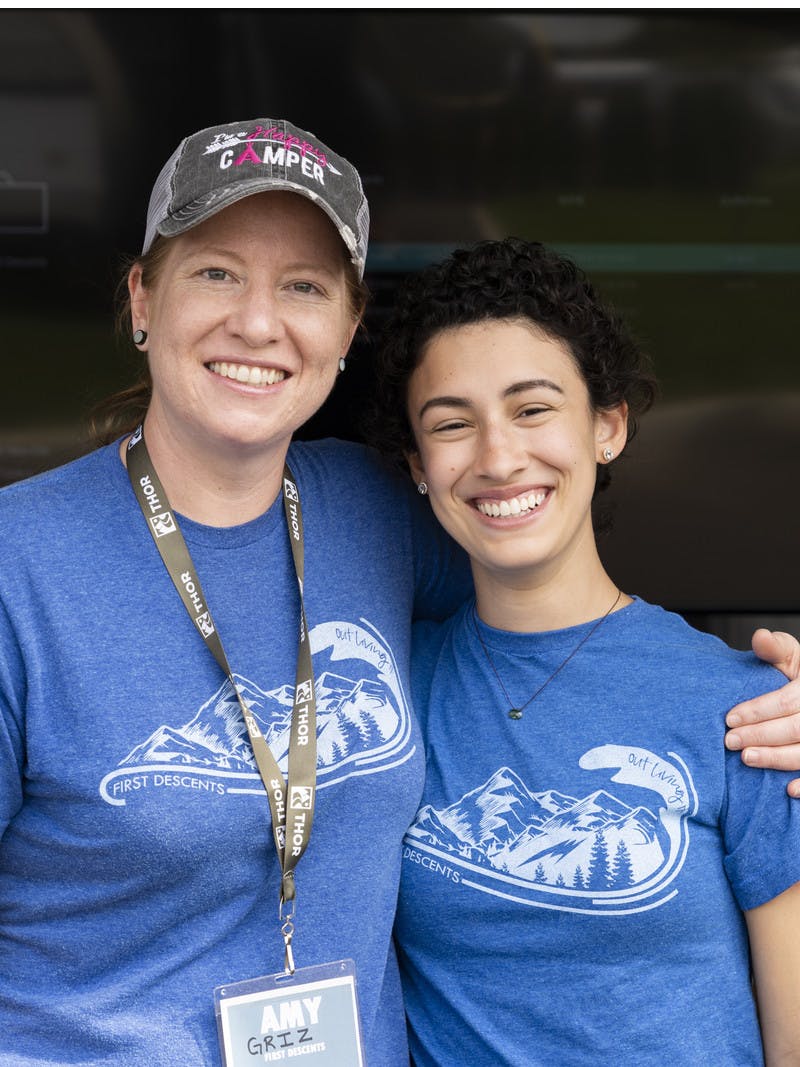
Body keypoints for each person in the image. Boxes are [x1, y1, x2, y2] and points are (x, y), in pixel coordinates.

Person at [0, 118, 471, 1066]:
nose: (258, 322)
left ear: (348, 328)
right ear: (142, 297)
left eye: (303, 286)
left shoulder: (387, 511)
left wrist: (748, 698)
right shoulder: (18, 566)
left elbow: (565, 622)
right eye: (216, 272)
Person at [369, 238, 800, 1065]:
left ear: (607, 427)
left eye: (533, 409)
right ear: (419, 466)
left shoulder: (750, 707)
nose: (498, 457)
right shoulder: (390, 691)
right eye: (453, 425)